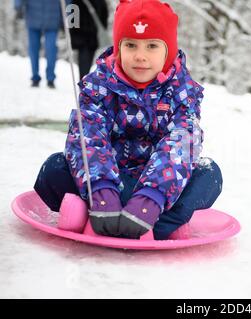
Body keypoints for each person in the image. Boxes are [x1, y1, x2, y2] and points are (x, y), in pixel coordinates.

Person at [33, 0, 223, 240]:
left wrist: (150, 196)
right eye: (131, 45)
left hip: (157, 192)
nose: (140, 56)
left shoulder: (181, 93)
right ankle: (95, 211)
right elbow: (88, 136)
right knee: (54, 168)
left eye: (152, 46)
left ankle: (158, 223)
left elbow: (180, 145)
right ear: (118, 48)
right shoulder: (98, 86)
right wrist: (100, 188)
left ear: (169, 50)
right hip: (107, 182)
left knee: (209, 174)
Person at [14, 0, 63, 88]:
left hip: (50, 17)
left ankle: (48, 78)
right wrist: (18, 7)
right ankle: (38, 76)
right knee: (36, 48)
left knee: (49, 49)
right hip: (36, 16)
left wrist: (18, 8)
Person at [69, 0, 109, 81]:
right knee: (87, 62)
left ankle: (83, 82)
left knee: (83, 62)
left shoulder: (76, 1)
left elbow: (72, 18)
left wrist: (73, 34)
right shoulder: (100, 1)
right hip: (93, 36)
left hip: (80, 36)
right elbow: (104, 15)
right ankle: (84, 82)